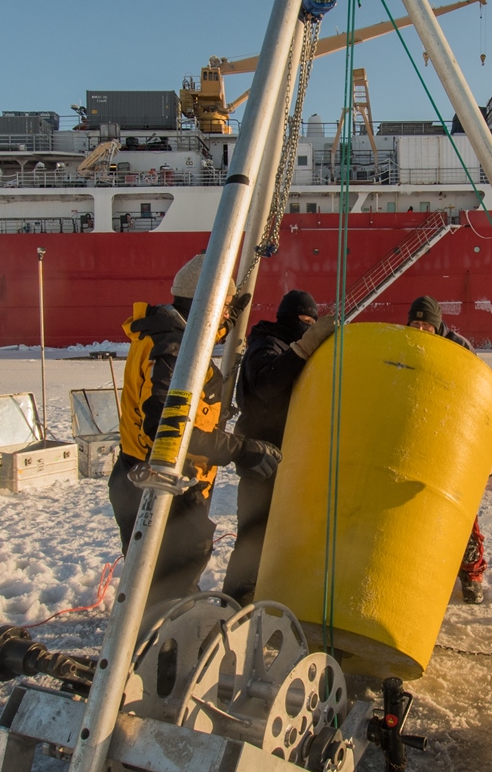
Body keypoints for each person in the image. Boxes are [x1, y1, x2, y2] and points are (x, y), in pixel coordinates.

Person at [109, 255, 280, 613]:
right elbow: (167, 432)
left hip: (139, 478)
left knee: (155, 578)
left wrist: (225, 321)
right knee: (169, 586)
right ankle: (165, 650)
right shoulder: (173, 350)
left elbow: (194, 334)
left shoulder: (166, 334)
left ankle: (160, 631)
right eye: (219, 312)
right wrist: (241, 450)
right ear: (209, 305)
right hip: (160, 488)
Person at [227, 289, 333, 601]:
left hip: (285, 456)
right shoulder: (267, 343)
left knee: (283, 532)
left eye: (312, 321)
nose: (308, 326)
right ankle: (238, 596)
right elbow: (266, 384)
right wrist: (303, 348)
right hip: (259, 457)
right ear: (289, 319)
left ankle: (268, 590)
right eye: (304, 320)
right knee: (255, 533)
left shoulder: (285, 344)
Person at [403, 294, 486, 602]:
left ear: (438, 326)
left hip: (451, 440)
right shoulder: (404, 344)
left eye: (427, 325)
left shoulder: (459, 350)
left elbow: (474, 393)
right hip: (416, 437)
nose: (421, 330)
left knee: (462, 511)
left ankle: (471, 574)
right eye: (416, 324)